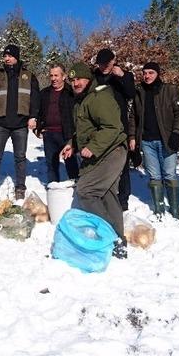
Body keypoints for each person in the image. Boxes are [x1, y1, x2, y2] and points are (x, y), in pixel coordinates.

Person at [61, 62, 128, 258]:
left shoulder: (99, 97)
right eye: (72, 80)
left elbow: (112, 127)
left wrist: (93, 147)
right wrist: (72, 144)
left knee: (86, 190)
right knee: (107, 194)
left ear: (88, 78)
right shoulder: (82, 101)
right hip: (104, 151)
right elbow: (85, 131)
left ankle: (110, 236)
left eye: (79, 79)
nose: (76, 83)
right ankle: (118, 241)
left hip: (112, 151)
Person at [131, 62, 179, 219]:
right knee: (154, 175)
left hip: (167, 140)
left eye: (151, 73)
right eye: (145, 73)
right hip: (147, 141)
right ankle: (159, 209)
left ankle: (175, 211)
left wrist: (176, 132)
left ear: (157, 74)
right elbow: (133, 116)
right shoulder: (139, 92)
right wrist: (132, 136)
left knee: (169, 174)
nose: (147, 76)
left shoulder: (169, 90)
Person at [0, 44, 40, 201]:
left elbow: (35, 99)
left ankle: (20, 188)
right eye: (5, 56)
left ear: (17, 57)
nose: (6, 58)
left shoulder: (28, 76)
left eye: (9, 55)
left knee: (20, 157)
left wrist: (33, 116)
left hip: (21, 124)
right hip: (0, 124)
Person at [93, 48, 136, 210]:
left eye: (107, 63)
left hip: (119, 127)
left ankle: (123, 199)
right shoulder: (95, 77)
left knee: (122, 164)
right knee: (102, 163)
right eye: (100, 63)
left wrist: (123, 77)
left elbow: (131, 93)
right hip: (100, 128)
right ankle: (103, 194)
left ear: (113, 61)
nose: (103, 66)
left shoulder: (124, 76)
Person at [36, 63, 79, 183]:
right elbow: (39, 112)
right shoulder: (44, 93)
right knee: (51, 165)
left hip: (67, 134)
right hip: (49, 134)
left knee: (71, 164)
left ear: (64, 76)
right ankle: (53, 191)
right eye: (51, 75)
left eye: (56, 75)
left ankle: (75, 190)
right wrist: (39, 128)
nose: (53, 78)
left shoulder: (71, 93)